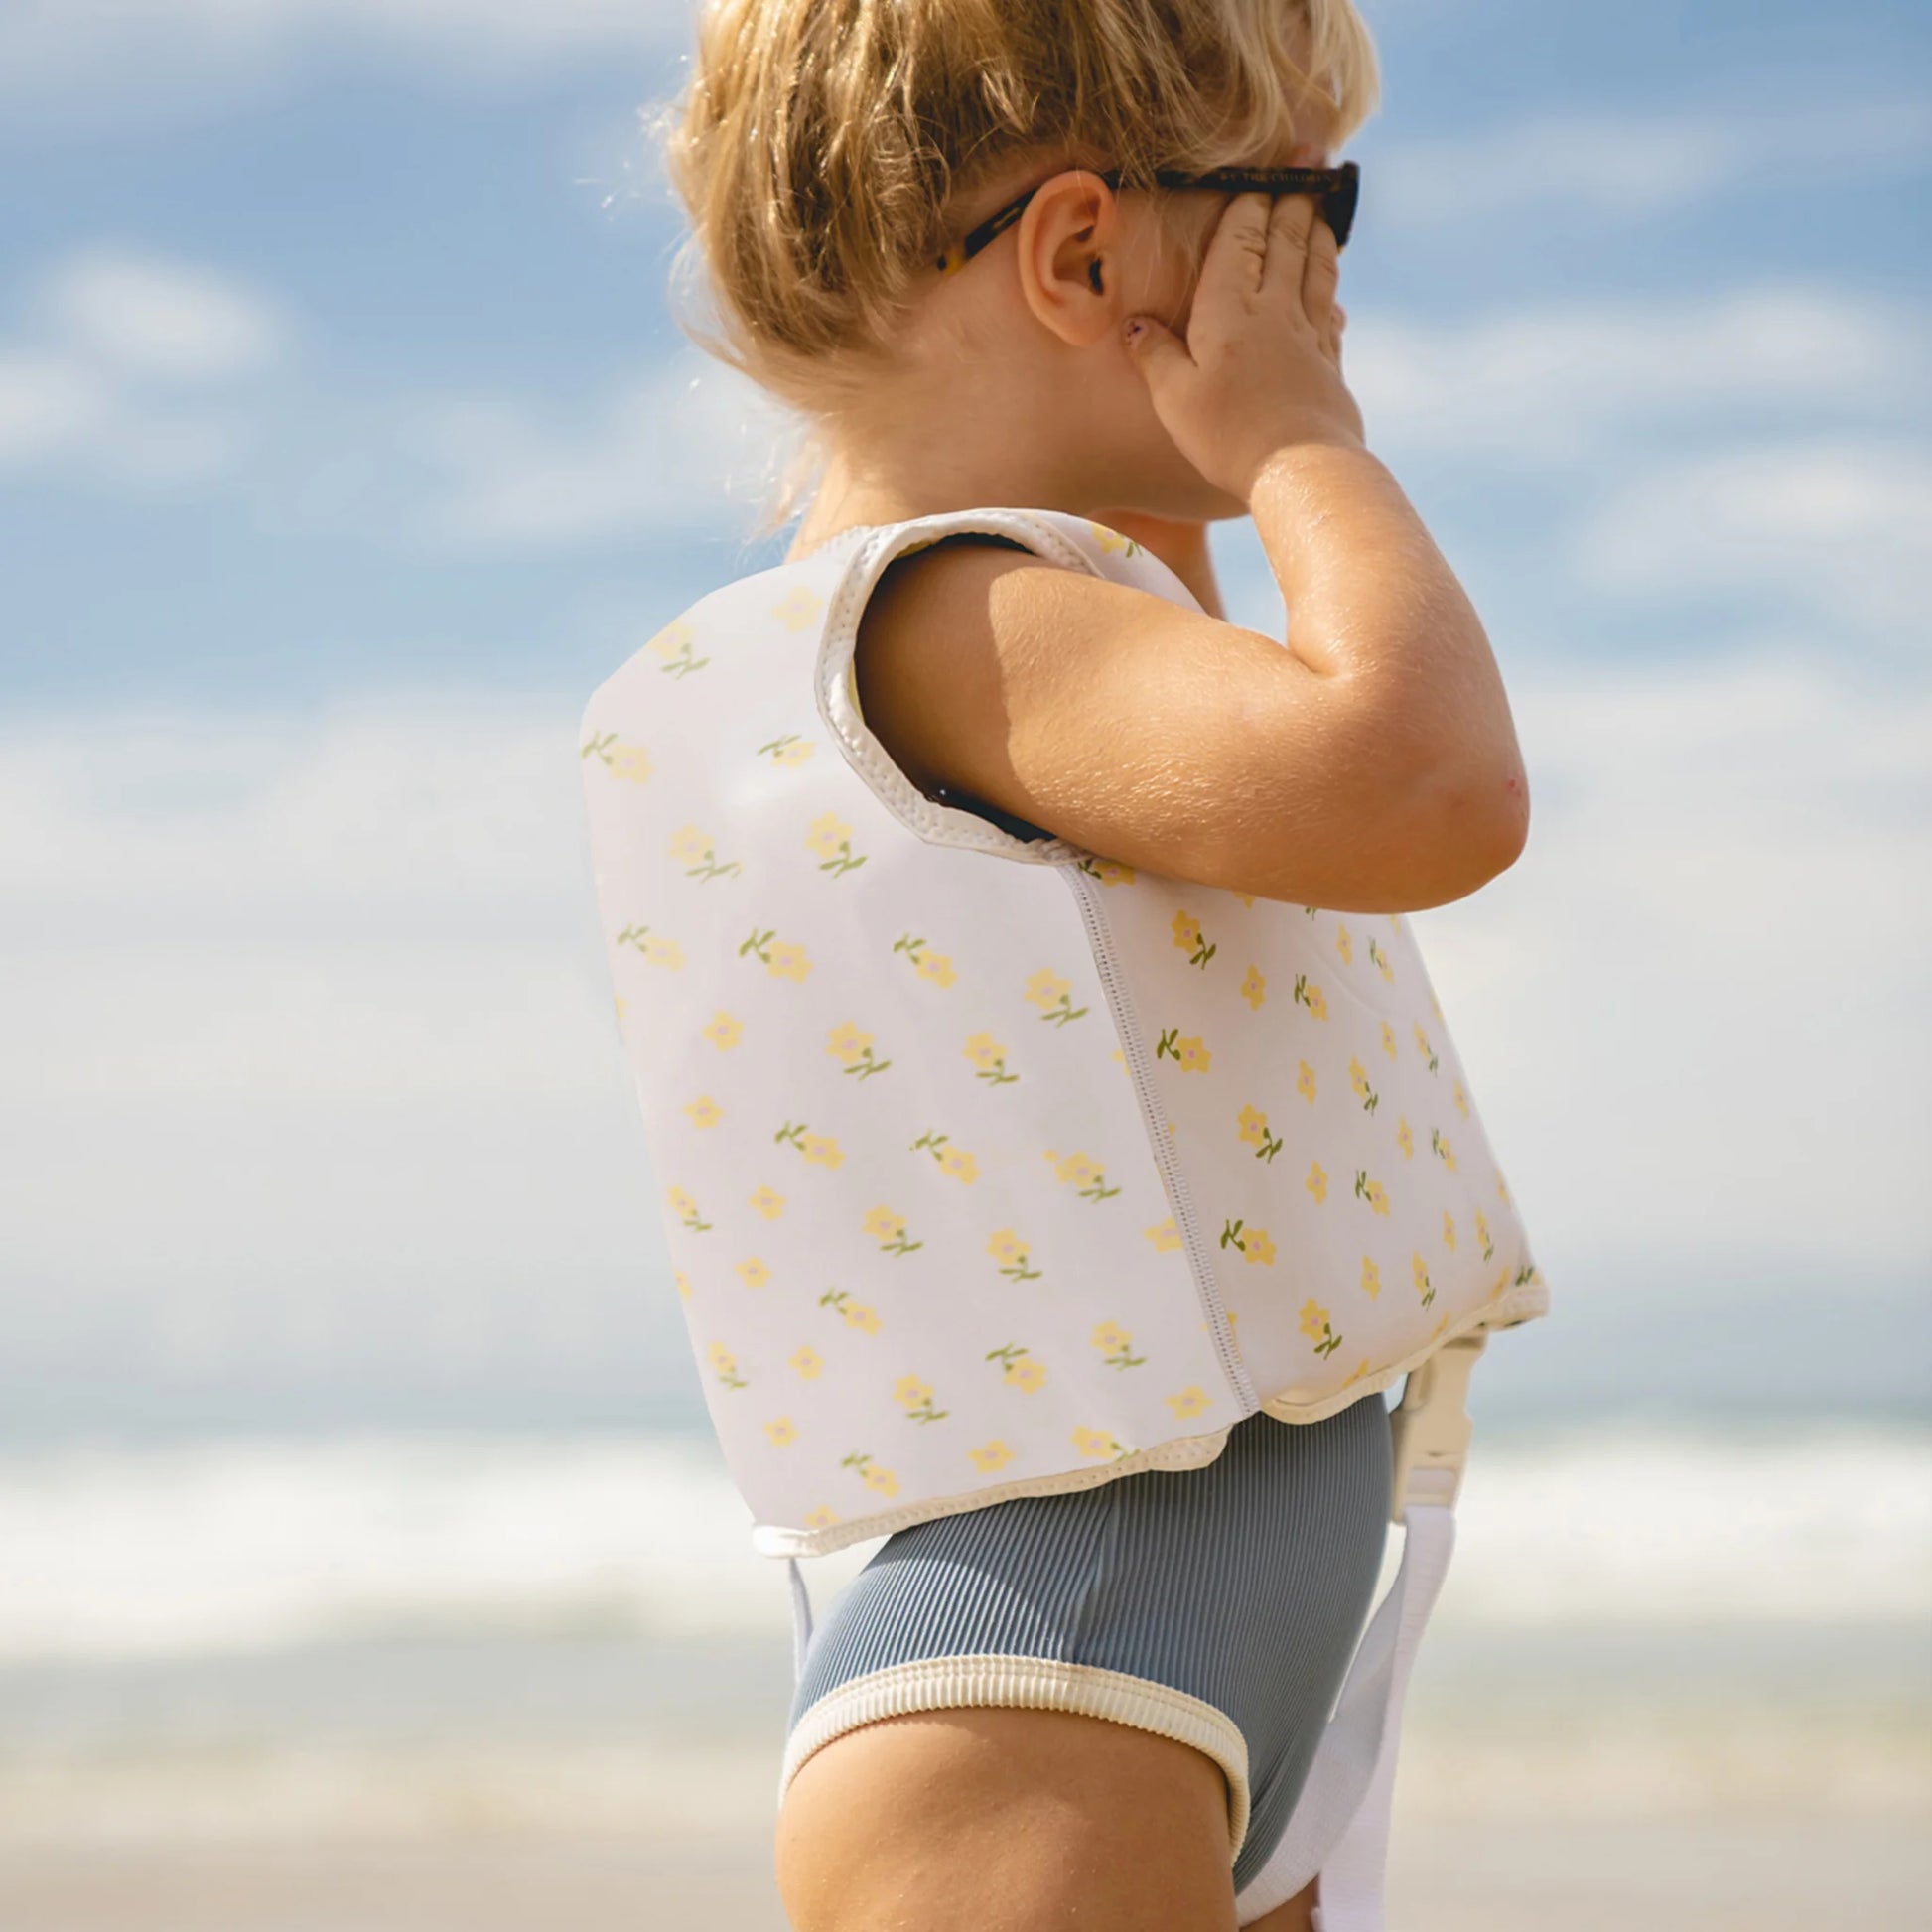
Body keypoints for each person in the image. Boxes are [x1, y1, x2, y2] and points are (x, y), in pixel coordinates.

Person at [604, 4, 1537, 1927]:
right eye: (1306, 211)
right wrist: (1298, 440)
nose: (1329, 291)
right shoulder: (958, 622)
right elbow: (1425, 787)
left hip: (1170, 1630)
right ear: (1084, 255)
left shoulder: (1052, 624)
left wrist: (1196, 441)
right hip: (1046, 1682)